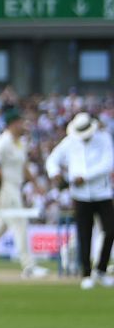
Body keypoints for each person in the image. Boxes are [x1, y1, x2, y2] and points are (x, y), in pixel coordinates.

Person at [44, 112, 114, 288]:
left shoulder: (104, 138)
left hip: (102, 192)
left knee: (110, 230)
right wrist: (56, 174)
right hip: (80, 195)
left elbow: (108, 163)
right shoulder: (70, 142)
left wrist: (85, 177)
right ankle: (87, 274)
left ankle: (101, 270)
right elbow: (52, 159)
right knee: (84, 234)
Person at [0, 109, 48, 280]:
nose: (22, 125)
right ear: (11, 124)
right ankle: (28, 267)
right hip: (5, 188)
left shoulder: (19, 143)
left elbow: (24, 167)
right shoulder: (1, 143)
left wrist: (36, 184)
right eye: (19, 122)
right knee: (20, 224)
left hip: (15, 187)